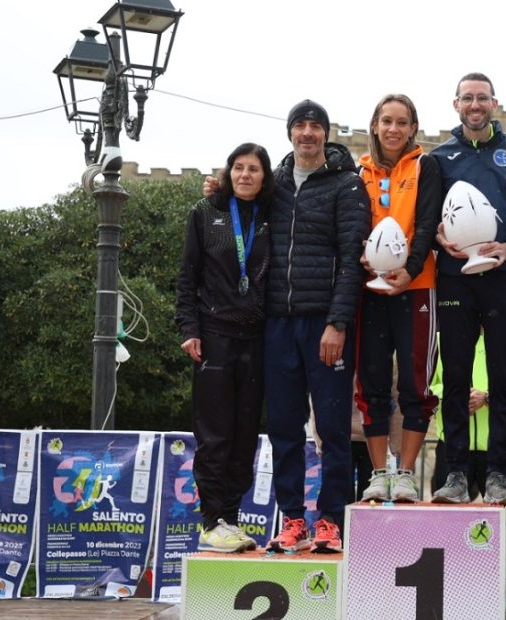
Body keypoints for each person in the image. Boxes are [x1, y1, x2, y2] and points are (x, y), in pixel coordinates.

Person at [431, 72, 506, 506]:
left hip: (502, 276)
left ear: (494, 104)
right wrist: (438, 241)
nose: (475, 105)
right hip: (456, 277)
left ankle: (499, 471)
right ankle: (456, 472)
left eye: (482, 98)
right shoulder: (440, 157)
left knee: (502, 377)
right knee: (456, 375)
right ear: (455, 104)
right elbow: (428, 219)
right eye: (467, 98)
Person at [264, 99, 371, 552]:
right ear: (290, 132)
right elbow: (237, 201)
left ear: (326, 134)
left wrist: (338, 322)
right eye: (300, 125)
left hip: (324, 326)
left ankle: (330, 520)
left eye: (315, 126)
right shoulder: (274, 185)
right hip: (277, 325)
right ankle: (291, 519)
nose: (307, 133)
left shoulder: (347, 186)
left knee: (333, 429)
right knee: (284, 427)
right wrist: (215, 190)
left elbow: (352, 259)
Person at [175, 142, 274, 553]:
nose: (245, 175)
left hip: (258, 336)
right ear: (228, 172)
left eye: (253, 169)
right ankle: (211, 519)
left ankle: (230, 519)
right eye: (238, 168)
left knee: (244, 436)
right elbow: (186, 277)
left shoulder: (273, 214)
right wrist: (188, 327)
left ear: (265, 176)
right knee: (215, 436)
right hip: (214, 335)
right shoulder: (205, 213)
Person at [354, 94, 441, 502]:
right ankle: (377, 473)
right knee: (371, 382)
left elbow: (427, 222)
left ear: (412, 129)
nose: (393, 129)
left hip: (416, 286)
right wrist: (361, 259)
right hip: (371, 289)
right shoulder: (359, 172)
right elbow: (353, 225)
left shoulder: (426, 166)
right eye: (386, 121)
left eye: (401, 122)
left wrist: (411, 268)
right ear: (374, 125)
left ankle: (404, 472)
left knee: (415, 383)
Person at [429, 332, 506, 600]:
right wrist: (456, 396)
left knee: (505, 524)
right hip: (453, 448)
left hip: (496, 448)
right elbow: (430, 384)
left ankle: (505, 590)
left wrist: (488, 397)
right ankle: (446, 589)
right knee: (444, 522)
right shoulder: (442, 338)